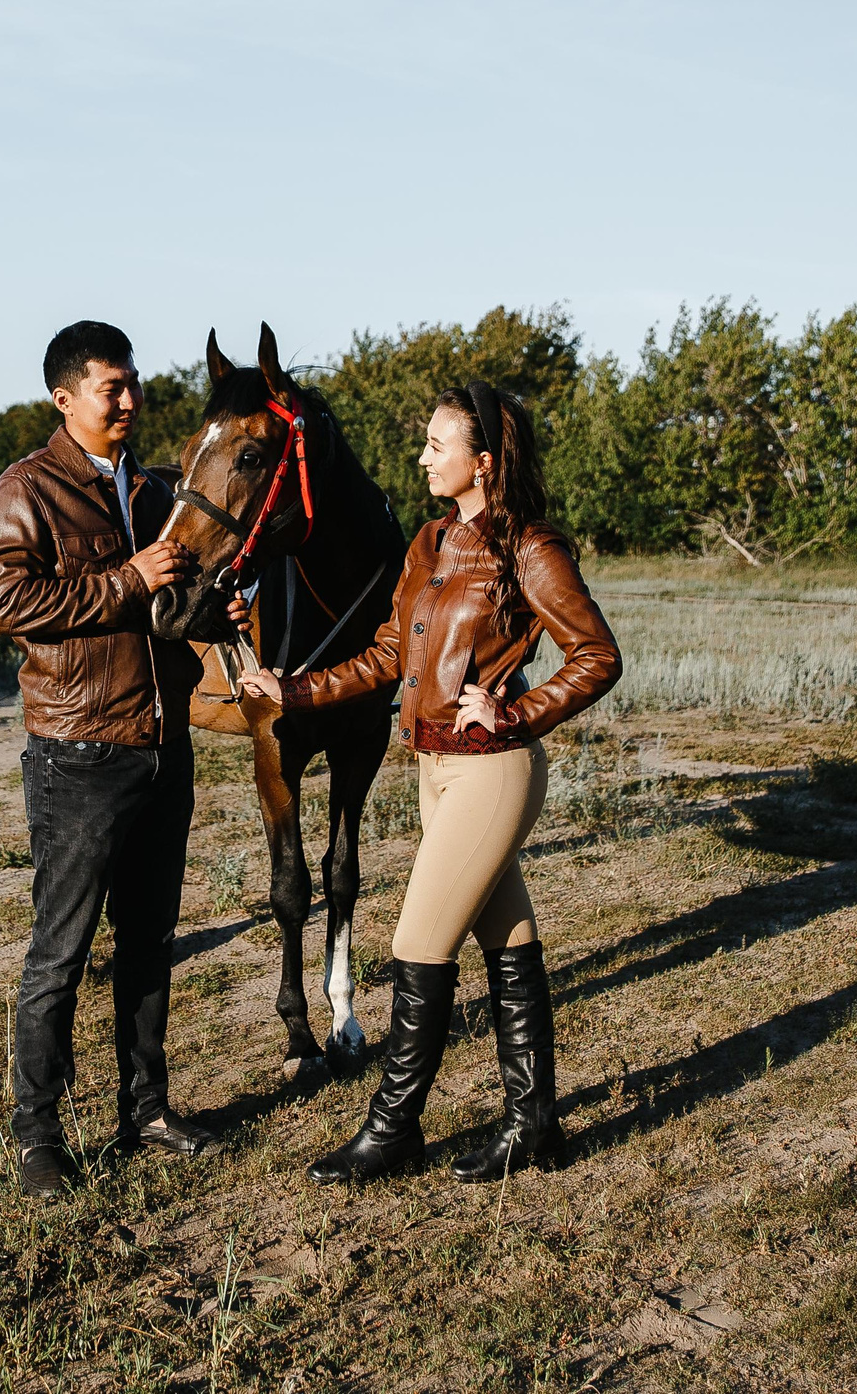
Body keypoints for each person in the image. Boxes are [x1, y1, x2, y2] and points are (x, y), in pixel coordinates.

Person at [240, 381, 620, 1185]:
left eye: (436, 444)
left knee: (417, 943)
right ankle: (535, 1124)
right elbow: (388, 654)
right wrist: (297, 689)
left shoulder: (530, 547)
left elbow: (598, 654)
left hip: (492, 771)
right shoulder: (429, 543)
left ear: (482, 462)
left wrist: (523, 712)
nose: (422, 456)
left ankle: (392, 1130)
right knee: (507, 943)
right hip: (436, 768)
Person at [0, 319, 242, 1197]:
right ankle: (38, 1134)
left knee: (150, 942)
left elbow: (172, 608)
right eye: (111, 387)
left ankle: (148, 1109)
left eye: (134, 384)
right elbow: (7, 599)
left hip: (166, 746)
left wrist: (214, 616)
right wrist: (131, 575)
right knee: (61, 948)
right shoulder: (27, 490)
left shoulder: (161, 488)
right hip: (79, 752)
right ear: (65, 397)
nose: (130, 400)